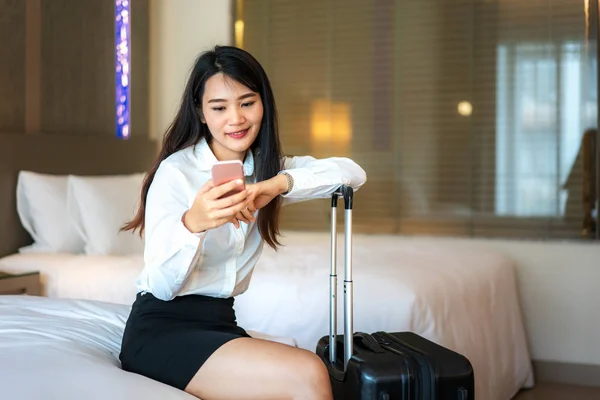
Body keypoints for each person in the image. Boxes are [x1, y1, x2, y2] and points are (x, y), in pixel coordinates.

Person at [119, 45, 366, 400]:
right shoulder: (177, 172)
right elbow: (160, 287)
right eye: (219, 108)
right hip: (162, 329)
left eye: (247, 103)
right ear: (201, 113)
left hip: (222, 323)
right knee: (309, 372)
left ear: (263, 104)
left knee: (304, 368)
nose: (235, 119)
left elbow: (352, 174)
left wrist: (277, 184)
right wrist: (193, 224)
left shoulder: (265, 169)